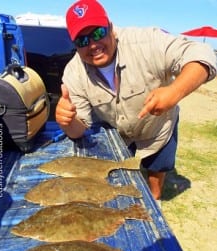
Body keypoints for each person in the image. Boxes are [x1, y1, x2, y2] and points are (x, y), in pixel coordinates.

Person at [55, 0, 216, 204]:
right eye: (82, 40)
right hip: (120, 135)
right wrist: (67, 121)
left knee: (158, 166)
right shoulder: (73, 73)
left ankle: (155, 199)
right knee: (121, 172)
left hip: (158, 129)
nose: (93, 45)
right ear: (74, 44)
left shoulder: (147, 41)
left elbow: (203, 54)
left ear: (111, 28)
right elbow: (79, 130)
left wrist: (174, 91)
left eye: (97, 33)